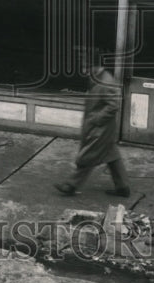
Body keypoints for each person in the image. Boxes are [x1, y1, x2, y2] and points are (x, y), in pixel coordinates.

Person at [55, 46, 130, 198]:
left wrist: (97, 119)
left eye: (87, 66)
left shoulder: (106, 81)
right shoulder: (96, 77)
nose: (85, 69)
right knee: (111, 154)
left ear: (95, 65)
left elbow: (113, 105)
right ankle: (123, 187)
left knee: (88, 155)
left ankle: (71, 185)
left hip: (101, 128)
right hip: (100, 127)